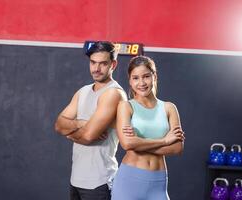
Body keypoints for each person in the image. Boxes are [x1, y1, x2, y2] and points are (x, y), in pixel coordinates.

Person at [54, 41, 127, 200]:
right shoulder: (83, 91)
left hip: (99, 183)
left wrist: (71, 133)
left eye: (102, 63)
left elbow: (88, 137)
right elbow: (59, 124)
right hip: (76, 180)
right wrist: (82, 123)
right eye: (93, 62)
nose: (96, 68)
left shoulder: (113, 93)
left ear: (113, 64)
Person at [111, 56, 185, 200]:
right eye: (136, 78)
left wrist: (138, 142)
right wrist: (164, 141)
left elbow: (177, 148)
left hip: (159, 182)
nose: (141, 83)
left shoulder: (169, 108)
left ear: (154, 76)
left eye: (146, 76)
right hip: (129, 181)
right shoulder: (126, 106)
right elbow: (127, 144)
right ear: (130, 81)